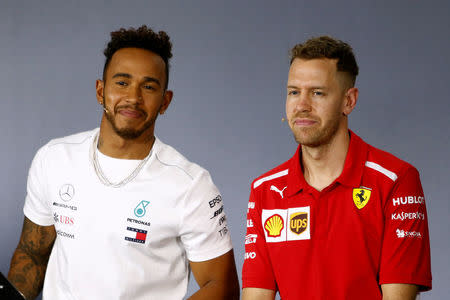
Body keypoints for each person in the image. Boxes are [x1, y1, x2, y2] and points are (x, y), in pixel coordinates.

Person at [8, 25, 239, 300]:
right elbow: (32, 254)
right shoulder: (54, 159)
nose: (133, 97)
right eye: (122, 82)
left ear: (165, 101)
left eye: (149, 86)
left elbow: (222, 287)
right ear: (100, 90)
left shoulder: (191, 185)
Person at [241, 36, 431, 299]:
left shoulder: (397, 181)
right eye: (294, 92)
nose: (302, 106)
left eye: (317, 93)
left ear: (349, 101)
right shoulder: (265, 191)